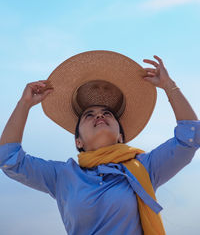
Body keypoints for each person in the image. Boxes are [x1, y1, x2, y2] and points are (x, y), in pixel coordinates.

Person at [0, 50, 199, 235]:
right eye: (89, 114)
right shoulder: (63, 176)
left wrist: (169, 86)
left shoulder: (145, 167)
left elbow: (190, 137)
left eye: (107, 113)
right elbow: (9, 159)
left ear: (121, 136)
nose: (100, 116)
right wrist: (24, 104)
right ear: (78, 140)